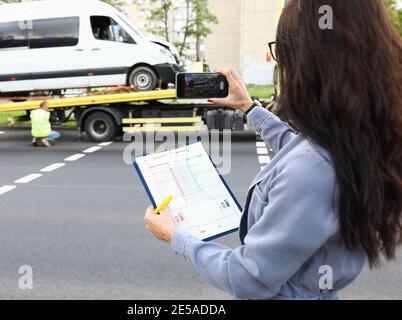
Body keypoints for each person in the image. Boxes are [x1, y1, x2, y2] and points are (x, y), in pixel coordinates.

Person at [144, 0, 402, 300]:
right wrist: (249, 107)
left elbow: (248, 277)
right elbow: (301, 150)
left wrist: (175, 236)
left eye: (282, 51)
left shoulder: (314, 169)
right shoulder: (362, 135)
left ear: (311, 61)